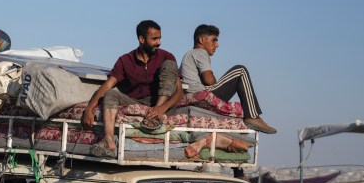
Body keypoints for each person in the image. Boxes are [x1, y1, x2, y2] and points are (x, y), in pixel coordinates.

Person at [82, 20, 182, 158]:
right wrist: (89, 108)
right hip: (137, 102)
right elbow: (107, 86)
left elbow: (179, 92)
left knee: (170, 65)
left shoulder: (167, 56)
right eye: (154, 39)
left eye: (160, 38)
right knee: (111, 93)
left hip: (162, 104)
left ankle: (154, 118)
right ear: (142, 39)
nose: (159, 42)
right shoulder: (125, 60)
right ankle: (109, 140)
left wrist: (162, 108)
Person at [179, 24, 277, 134]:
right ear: (201, 40)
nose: (217, 45)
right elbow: (209, 80)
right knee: (240, 70)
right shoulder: (200, 52)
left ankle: (251, 115)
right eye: (214, 40)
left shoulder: (188, 55)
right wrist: (215, 80)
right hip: (200, 93)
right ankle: (253, 117)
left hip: (191, 93)